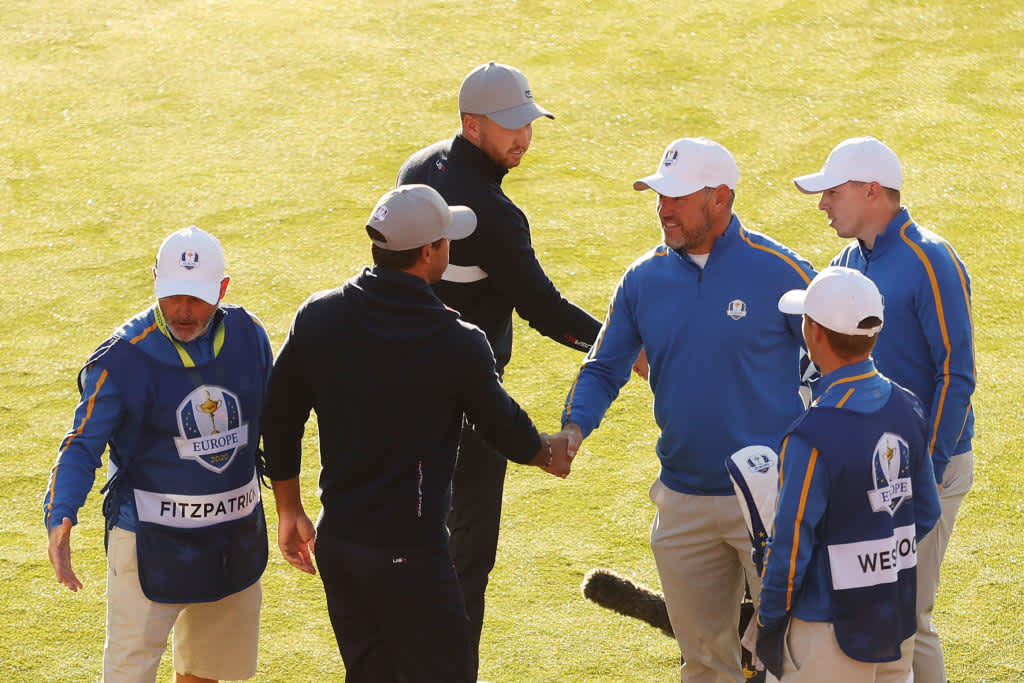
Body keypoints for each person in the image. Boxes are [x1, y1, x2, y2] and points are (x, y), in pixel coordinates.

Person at [260, 184, 573, 683]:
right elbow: (502, 427)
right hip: (412, 556)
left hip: (340, 548)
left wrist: (289, 510)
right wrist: (546, 452)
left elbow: (278, 420)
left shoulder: (317, 317)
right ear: (429, 252)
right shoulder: (457, 340)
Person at [561, 137, 816, 683]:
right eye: (659, 195)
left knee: (796, 660)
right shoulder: (643, 279)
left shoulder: (782, 272)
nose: (663, 208)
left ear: (720, 198)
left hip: (772, 502)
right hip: (682, 501)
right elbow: (606, 365)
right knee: (703, 665)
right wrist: (574, 427)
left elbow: (840, 365)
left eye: (677, 197)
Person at [396, 60, 603, 666]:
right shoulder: (493, 213)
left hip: (399, 399)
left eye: (528, 123)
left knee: (405, 544)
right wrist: (619, 349)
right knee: (467, 555)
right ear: (471, 125)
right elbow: (543, 308)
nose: (524, 137)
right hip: (470, 408)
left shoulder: (417, 170)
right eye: (510, 125)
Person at [43, 226, 273, 683]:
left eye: (196, 297)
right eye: (172, 296)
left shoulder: (249, 335)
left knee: (210, 672)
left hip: (233, 537)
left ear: (222, 289)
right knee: (129, 675)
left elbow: (276, 422)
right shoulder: (120, 358)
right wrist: (61, 513)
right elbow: (81, 443)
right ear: (154, 282)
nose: (183, 311)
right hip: (147, 543)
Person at [793, 136, 976, 682]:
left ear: (872, 191)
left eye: (832, 191)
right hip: (866, 470)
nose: (822, 203)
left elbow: (956, 373)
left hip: (926, 469)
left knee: (909, 617)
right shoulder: (847, 263)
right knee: (880, 611)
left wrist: (928, 470)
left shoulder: (931, 259)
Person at [755, 266, 942, 681]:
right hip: (894, 615)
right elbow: (925, 512)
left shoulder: (812, 432)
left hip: (828, 631)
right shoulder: (909, 406)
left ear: (814, 331)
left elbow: (790, 547)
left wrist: (769, 623)